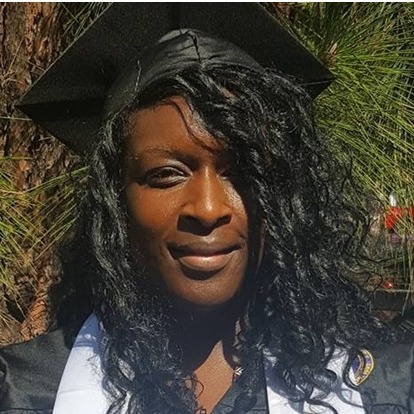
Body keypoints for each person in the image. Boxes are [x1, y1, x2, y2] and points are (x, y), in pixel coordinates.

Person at [0, 4, 412, 414]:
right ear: (114, 200)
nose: (209, 208)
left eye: (244, 171)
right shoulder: (23, 393)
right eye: (166, 175)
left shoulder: (385, 388)